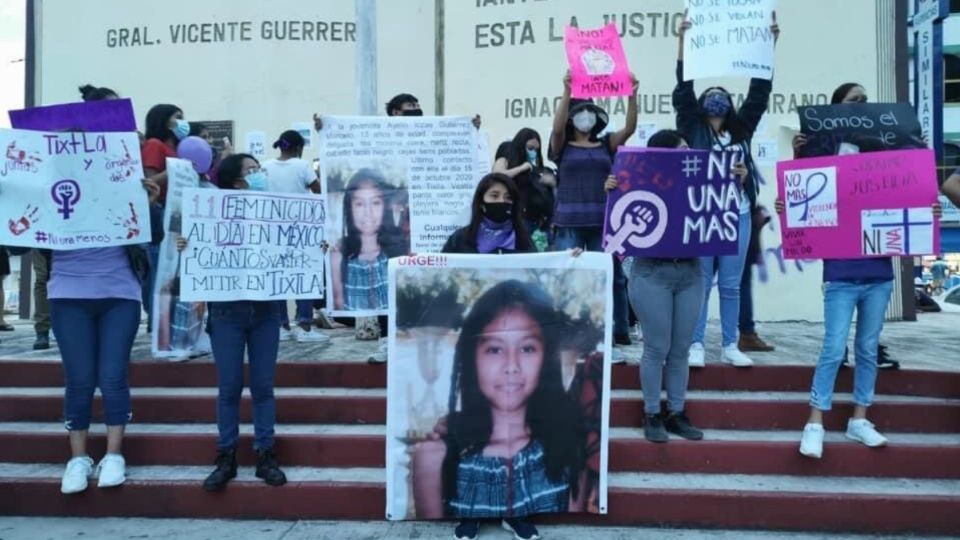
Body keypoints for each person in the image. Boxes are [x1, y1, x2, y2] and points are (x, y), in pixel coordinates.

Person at [774, 138, 943, 459]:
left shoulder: (882, 181)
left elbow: (916, 205)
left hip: (878, 278)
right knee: (834, 348)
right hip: (840, 278)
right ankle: (814, 423)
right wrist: (787, 205)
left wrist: (929, 210)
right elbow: (801, 205)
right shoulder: (829, 185)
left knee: (867, 348)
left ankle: (860, 419)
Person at [412, 279, 588, 540]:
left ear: (546, 358)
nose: (511, 366)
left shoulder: (566, 447)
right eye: (494, 349)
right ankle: (471, 518)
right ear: (472, 357)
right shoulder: (434, 457)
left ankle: (518, 516)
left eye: (527, 348)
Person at [675, 12, 779, 368]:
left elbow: (759, 94)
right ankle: (696, 344)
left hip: (736, 213)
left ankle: (731, 344)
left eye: (723, 95)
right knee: (701, 282)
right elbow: (682, 89)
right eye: (711, 94)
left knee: (732, 283)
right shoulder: (691, 127)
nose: (716, 98)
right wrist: (682, 42)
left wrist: (768, 46)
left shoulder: (742, 130)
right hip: (703, 212)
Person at [185, 153, 287, 491]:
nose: (259, 174)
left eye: (259, 169)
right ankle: (226, 454)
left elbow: (294, 248)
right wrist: (186, 244)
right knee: (228, 387)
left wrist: (314, 247)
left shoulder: (277, 213)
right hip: (227, 312)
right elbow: (193, 249)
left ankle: (265, 453)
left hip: (266, 312)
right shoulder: (210, 212)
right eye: (252, 170)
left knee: (263, 386)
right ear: (235, 181)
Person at [53, 177, 158, 494]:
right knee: (79, 378)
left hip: (119, 294)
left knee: (113, 375)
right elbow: (16, 243)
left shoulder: (121, 183)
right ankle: (78, 458)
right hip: (67, 294)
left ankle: (114, 455)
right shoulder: (48, 188)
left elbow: (157, 235)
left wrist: (149, 205)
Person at [793, 83, 905, 370]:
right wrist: (798, 155)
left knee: (873, 283)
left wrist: (913, 146)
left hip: (871, 219)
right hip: (836, 224)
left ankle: (871, 347)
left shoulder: (877, 134)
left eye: (865, 99)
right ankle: (837, 348)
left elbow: (899, 174)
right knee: (839, 283)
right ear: (836, 106)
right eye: (855, 99)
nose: (862, 102)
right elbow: (805, 183)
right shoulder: (820, 141)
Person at [614, 129, 705, 443]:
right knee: (656, 347)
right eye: (681, 148)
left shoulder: (702, 181)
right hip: (652, 272)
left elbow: (722, 206)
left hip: (691, 271)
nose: (688, 151)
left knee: (681, 349)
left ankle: (676, 412)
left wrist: (734, 179)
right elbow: (619, 221)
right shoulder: (638, 182)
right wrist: (612, 189)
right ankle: (652, 412)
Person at [548, 70, 638, 346]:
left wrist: (632, 96)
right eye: (580, 110)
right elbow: (557, 129)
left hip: (602, 221)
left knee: (612, 276)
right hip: (568, 221)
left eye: (590, 110)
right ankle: (565, 326)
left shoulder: (606, 143)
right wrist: (566, 90)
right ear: (572, 114)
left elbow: (630, 129)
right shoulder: (560, 146)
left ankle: (618, 329)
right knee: (568, 274)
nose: (586, 115)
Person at [261, 130, 328, 343]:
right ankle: (304, 324)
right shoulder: (302, 167)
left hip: (271, 230)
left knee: (278, 276)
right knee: (304, 273)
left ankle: (281, 325)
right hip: (301, 230)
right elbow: (318, 190)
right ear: (298, 148)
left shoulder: (264, 166)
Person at [331, 169, 407, 313]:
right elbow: (338, 308)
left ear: (385, 206)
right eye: (359, 204)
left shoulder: (400, 253)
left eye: (376, 203)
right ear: (349, 207)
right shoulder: (338, 258)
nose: (368, 213)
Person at [141, 103, 189, 332]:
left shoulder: (180, 149)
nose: (182, 122)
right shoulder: (154, 145)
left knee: (176, 268)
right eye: (177, 117)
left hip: (178, 212)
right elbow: (150, 182)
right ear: (163, 120)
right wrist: (174, 171)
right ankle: (157, 324)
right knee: (162, 267)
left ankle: (171, 323)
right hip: (161, 211)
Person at [442, 173, 535, 255]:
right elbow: (442, 271)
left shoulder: (523, 239)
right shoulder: (460, 239)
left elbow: (537, 271)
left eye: (508, 197)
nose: (501, 201)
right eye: (494, 196)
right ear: (481, 202)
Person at [493, 128, 557, 241]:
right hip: (516, 220)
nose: (533, 152)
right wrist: (522, 168)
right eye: (530, 148)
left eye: (536, 149)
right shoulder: (505, 160)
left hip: (540, 222)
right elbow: (497, 176)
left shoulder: (537, 168)